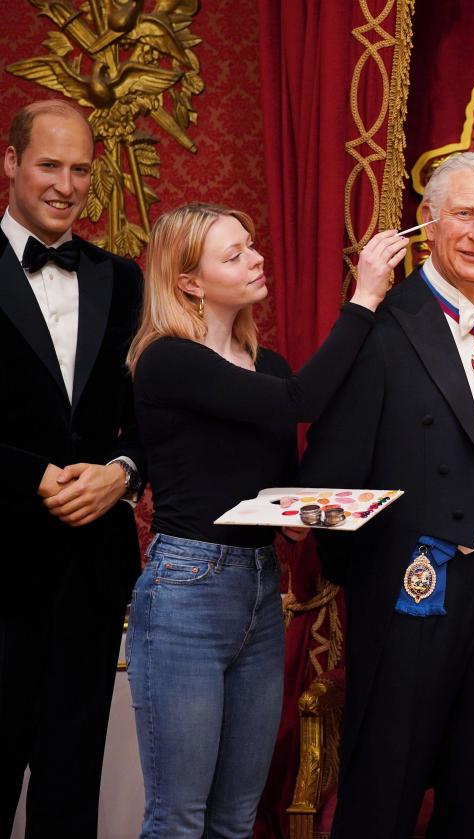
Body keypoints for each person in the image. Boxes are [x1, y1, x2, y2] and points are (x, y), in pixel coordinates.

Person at [125, 202, 405, 838]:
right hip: (186, 592)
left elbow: (277, 487)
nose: (255, 259)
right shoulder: (168, 360)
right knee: (178, 817)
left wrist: (303, 515)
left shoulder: (269, 363)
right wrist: (363, 296)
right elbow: (300, 402)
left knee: (235, 818)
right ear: (189, 283)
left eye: (251, 246)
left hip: (258, 587)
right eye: (234, 255)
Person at [300, 151, 474, 838]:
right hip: (411, 583)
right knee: (385, 786)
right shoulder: (380, 328)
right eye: (464, 214)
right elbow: (332, 467)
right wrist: (378, 578)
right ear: (427, 222)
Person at [0, 99, 144, 837]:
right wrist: (30, 473)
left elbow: (150, 422)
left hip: (88, 580)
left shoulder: (123, 279)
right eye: (50, 165)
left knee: (68, 801)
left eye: (81, 168)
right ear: (12, 163)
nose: (66, 184)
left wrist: (122, 469)